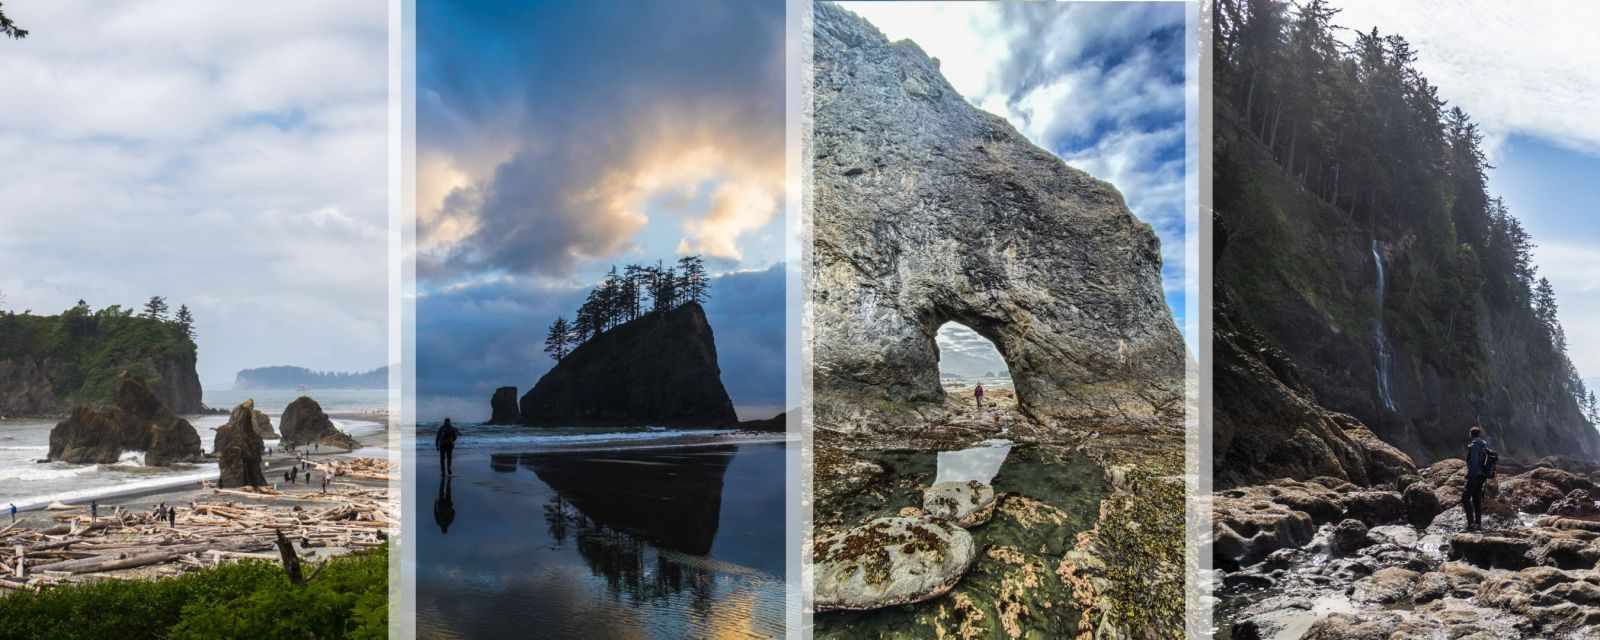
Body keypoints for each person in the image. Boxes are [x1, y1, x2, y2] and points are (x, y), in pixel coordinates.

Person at [1464, 425, 1496, 532]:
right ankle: (1478, 524)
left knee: (1465, 498)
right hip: (1482, 476)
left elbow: (1474, 463)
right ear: (1479, 434)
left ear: (1470, 434)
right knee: (1476, 499)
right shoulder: (1483, 445)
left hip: (1475, 476)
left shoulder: (1474, 446)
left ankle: (1471, 524)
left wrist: (1470, 476)